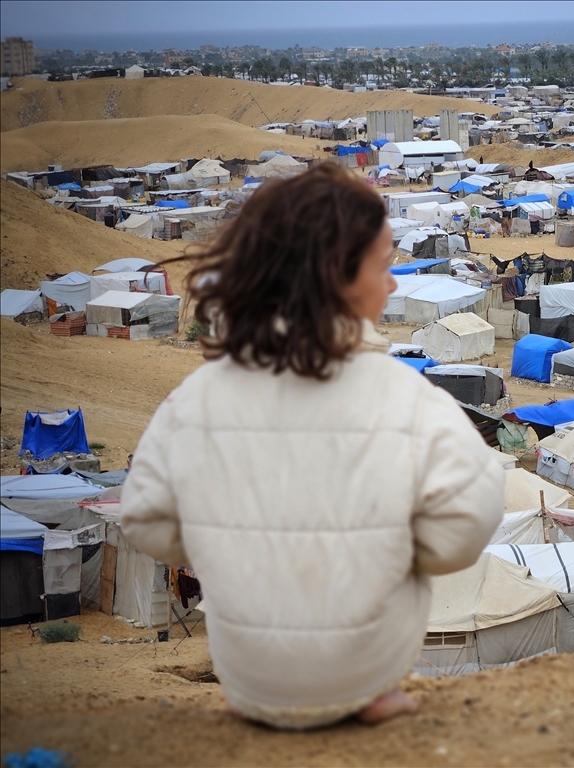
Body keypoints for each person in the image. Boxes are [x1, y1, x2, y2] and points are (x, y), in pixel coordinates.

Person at [120, 164, 504, 730]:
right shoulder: (408, 398)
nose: (395, 285)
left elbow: (146, 521)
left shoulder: (195, 399)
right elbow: (466, 525)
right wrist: (388, 554)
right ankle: (367, 692)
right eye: (386, 267)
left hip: (249, 681)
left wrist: (224, 541)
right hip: (365, 668)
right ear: (341, 279)